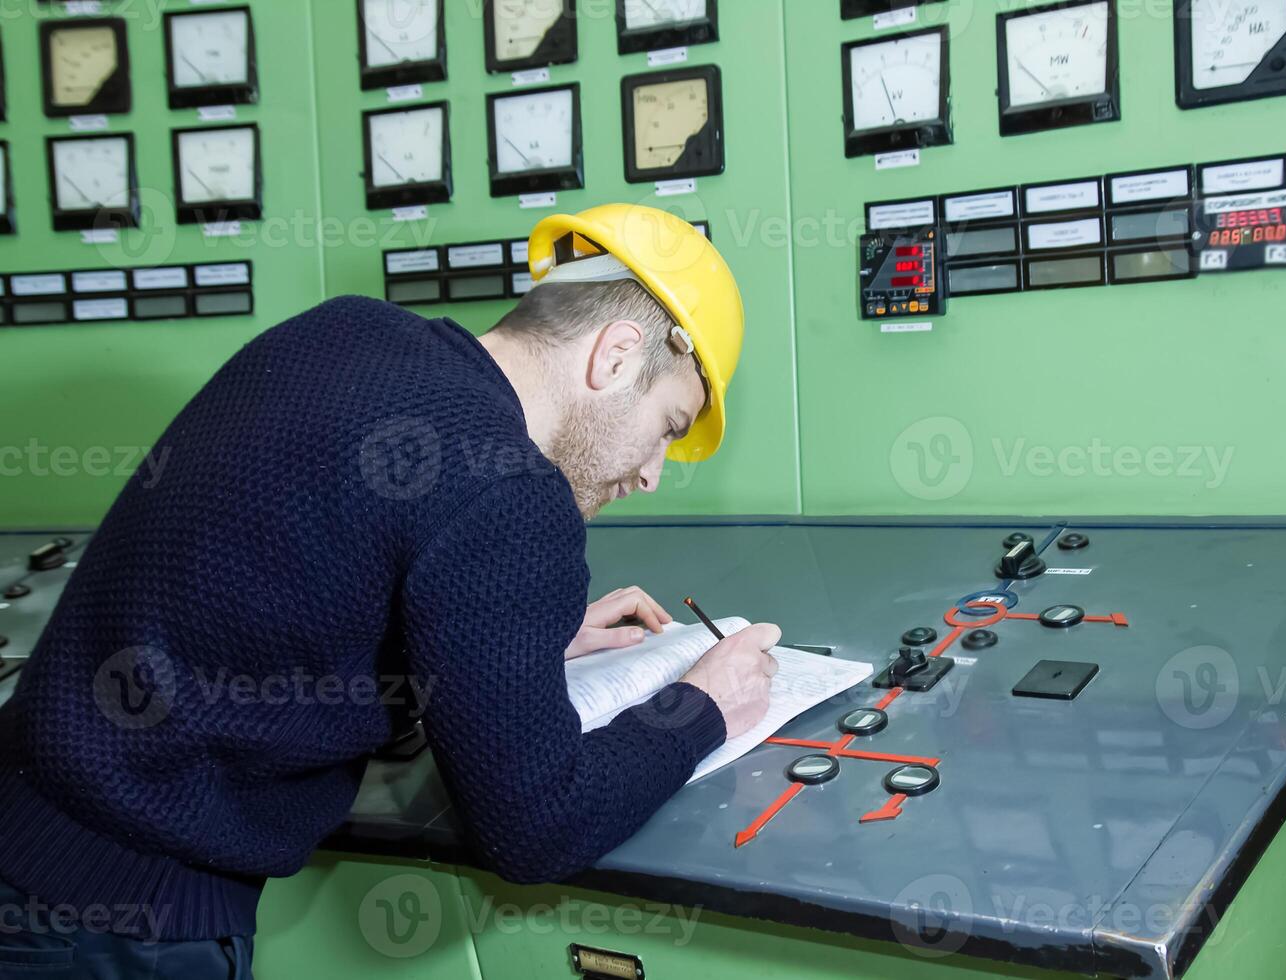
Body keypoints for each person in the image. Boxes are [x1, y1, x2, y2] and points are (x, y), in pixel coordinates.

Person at [0, 205, 780, 979]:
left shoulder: (347, 331)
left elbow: (308, 565)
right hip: (118, 921)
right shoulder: (510, 492)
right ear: (614, 356)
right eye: (670, 425)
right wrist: (703, 707)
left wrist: (500, 637)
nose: (650, 474)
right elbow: (539, 828)